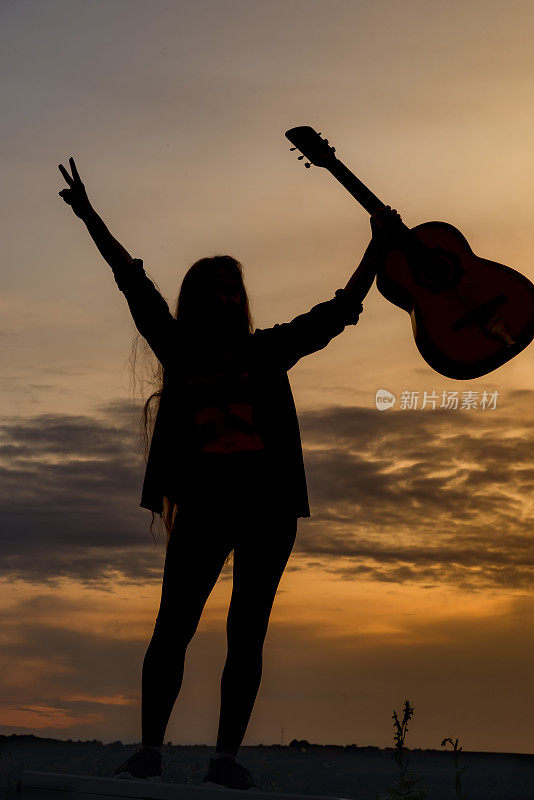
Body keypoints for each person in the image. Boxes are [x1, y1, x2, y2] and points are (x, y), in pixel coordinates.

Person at [58, 156, 401, 790]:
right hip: (205, 506)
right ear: (194, 302)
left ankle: (224, 759)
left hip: (268, 508)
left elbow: (338, 312)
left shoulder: (266, 350)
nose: (223, 300)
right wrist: (88, 216)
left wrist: (378, 247)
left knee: (247, 630)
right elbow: (130, 280)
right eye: (212, 291)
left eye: (232, 291)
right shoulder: (177, 349)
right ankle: (150, 751)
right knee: (173, 627)